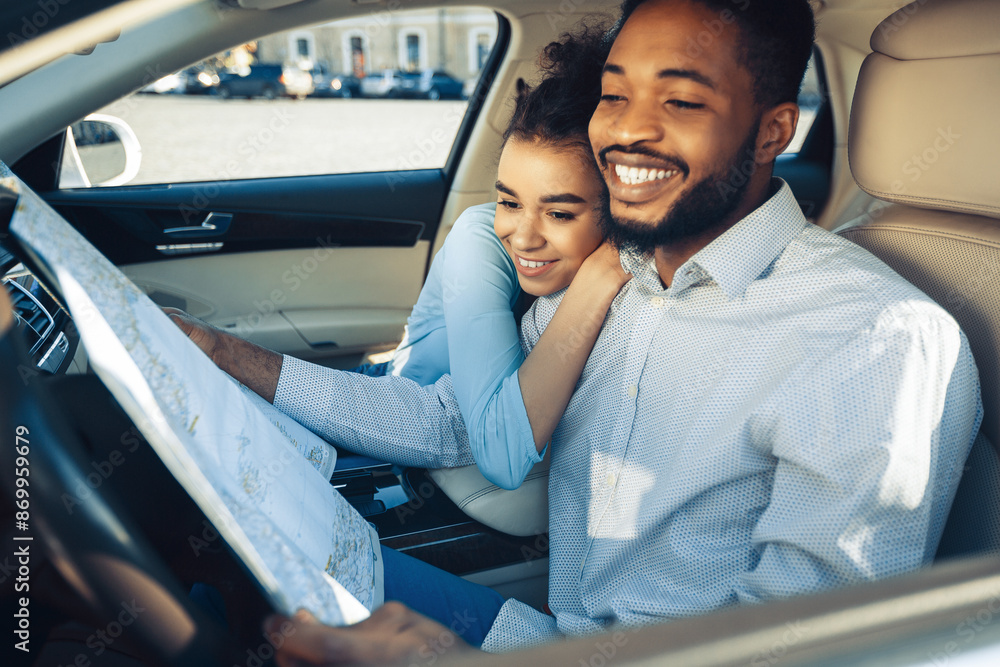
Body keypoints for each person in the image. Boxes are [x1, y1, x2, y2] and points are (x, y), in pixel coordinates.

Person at [264, 0, 982, 662]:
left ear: (773, 131)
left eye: (681, 99)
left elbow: (797, 651)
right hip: (548, 635)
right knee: (249, 558)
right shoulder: (615, 273)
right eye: (614, 94)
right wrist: (226, 358)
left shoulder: (874, 338)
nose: (627, 129)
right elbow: (460, 423)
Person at [170, 27, 627, 646]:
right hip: (406, 399)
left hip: (559, 612)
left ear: (619, 210)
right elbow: (449, 422)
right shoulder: (482, 241)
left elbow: (483, 438)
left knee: (244, 573)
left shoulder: (610, 295)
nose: (522, 235)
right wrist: (221, 350)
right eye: (510, 201)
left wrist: (600, 280)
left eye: (562, 212)